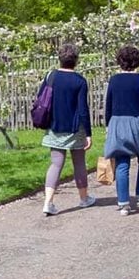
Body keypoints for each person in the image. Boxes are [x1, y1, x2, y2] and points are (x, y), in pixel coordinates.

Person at [103, 45, 139, 215]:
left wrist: (108, 126)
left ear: (120, 61)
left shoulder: (114, 80)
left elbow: (108, 105)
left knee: (122, 163)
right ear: (137, 61)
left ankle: (123, 204)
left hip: (117, 123)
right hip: (138, 124)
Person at [40, 44, 97, 216]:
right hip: (74, 128)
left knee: (56, 164)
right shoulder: (79, 81)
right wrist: (88, 133)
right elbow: (82, 109)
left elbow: (41, 99)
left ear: (60, 58)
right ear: (76, 60)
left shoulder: (50, 76)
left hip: (54, 126)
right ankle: (84, 198)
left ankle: (48, 202)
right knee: (79, 162)